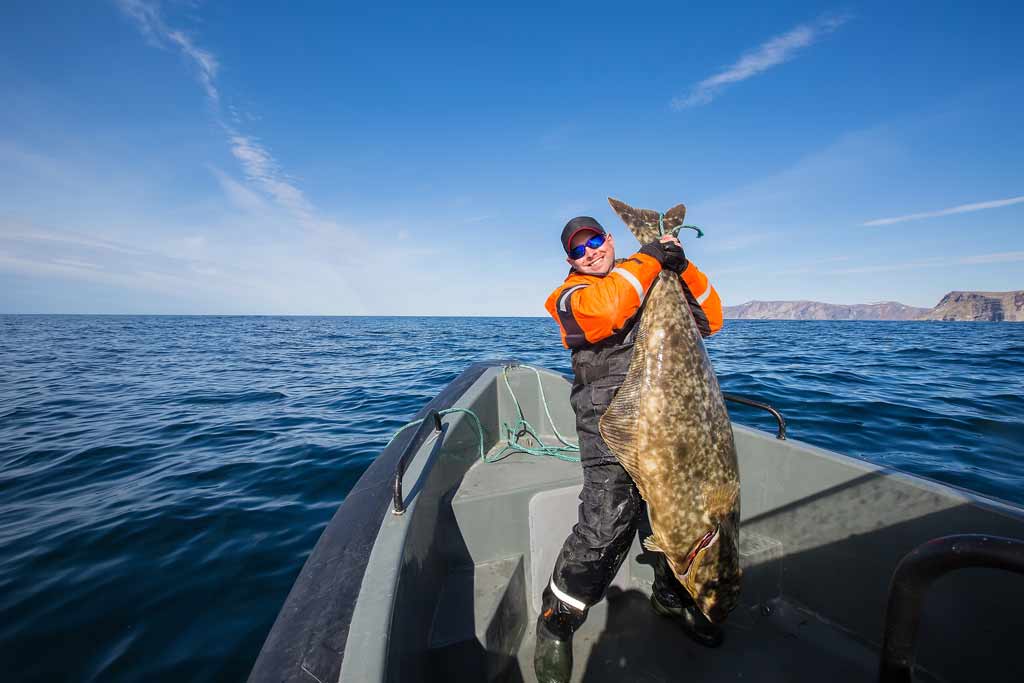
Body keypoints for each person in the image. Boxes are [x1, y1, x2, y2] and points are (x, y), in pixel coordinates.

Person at [535, 215, 725, 682]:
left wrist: (682, 267)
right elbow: (606, 312)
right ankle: (556, 623)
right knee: (605, 526)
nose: (591, 252)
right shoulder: (570, 296)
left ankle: (671, 595)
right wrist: (649, 258)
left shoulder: (645, 275)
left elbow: (712, 319)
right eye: (580, 250)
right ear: (570, 261)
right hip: (608, 423)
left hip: (669, 419)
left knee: (673, 514)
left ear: (610, 239)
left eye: (596, 241)